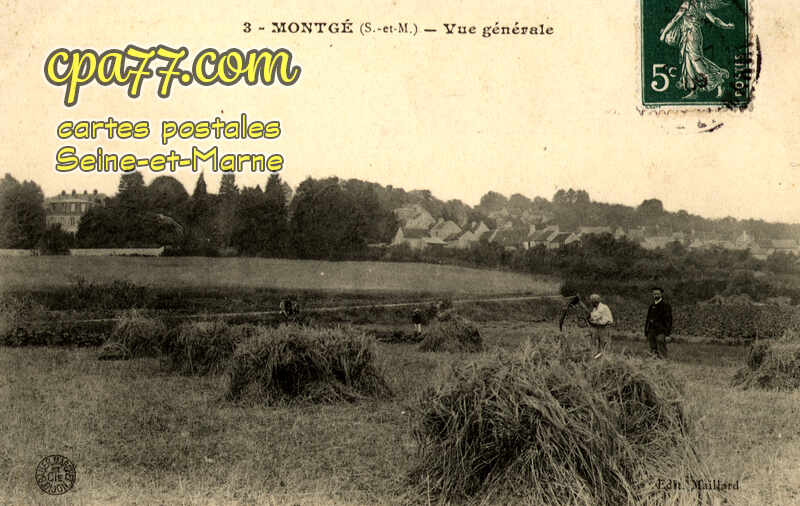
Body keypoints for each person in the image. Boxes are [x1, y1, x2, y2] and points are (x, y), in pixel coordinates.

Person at [659, 0, 735, 99]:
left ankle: (718, 81)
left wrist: (664, 33)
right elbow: (715, 20)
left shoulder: (688, 4)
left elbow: (675, 19)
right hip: (689, 35)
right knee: (689, 62)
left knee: (696, 62)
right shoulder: (702, 5)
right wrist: (727, 26)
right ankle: (694, 90)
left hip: (691, 35)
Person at [645, 287, 673, 359]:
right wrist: (646, 331)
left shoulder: (666, 305)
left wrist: (667, 334)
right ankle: (655, 362)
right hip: (652, 330)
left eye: (657, 293)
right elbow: (648, 319)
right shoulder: (651, 306)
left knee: (660, 343)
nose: (656, 295)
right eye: (654, 294)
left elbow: (669, 320)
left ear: (661, 294)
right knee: (653, 347)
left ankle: (664, 362)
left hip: (661, 330)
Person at [587, 294, 614, 358]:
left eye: (591, 302)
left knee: (603, 344)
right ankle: (596, 358)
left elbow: (594, 316)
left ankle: (604, 360)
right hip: (599, 327)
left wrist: (588, 316)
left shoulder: (602, 308)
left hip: (605, 327)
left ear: (595, 302)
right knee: (596, 343)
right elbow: (592, 319)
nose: (591, 303)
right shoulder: (595, 308)